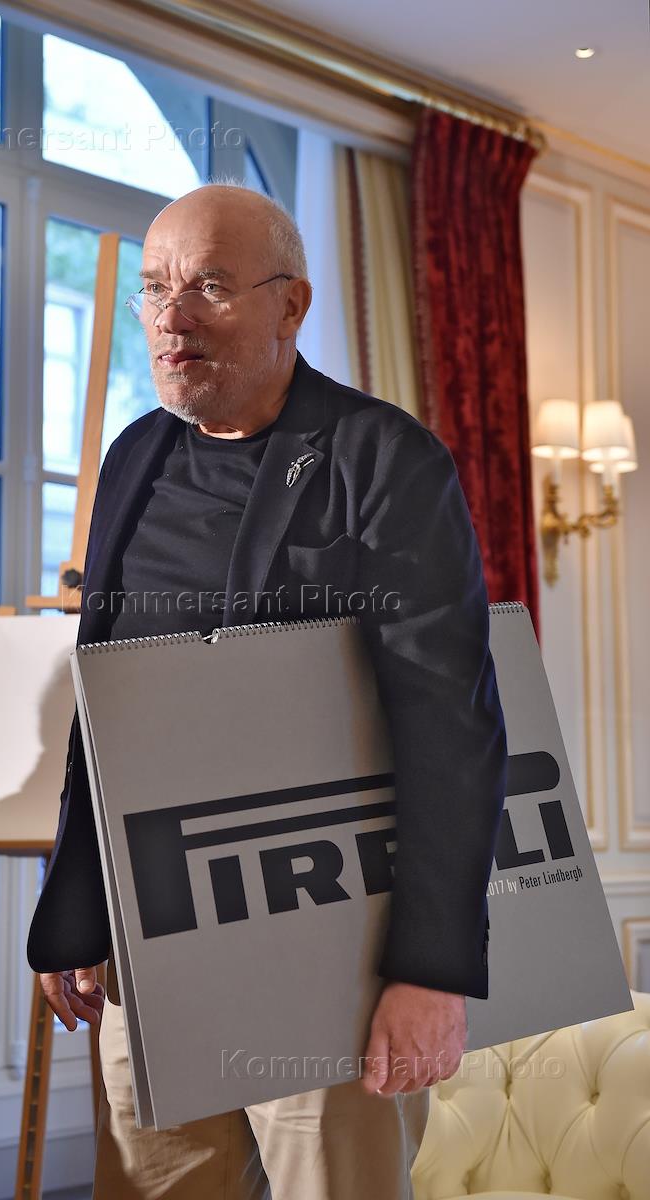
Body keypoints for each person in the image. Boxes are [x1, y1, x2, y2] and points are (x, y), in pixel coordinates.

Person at [26, 182, 508, 1200]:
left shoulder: (385, 458)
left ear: (292, 304)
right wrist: (78, 912)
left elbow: (449, 727)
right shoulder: (134, 455)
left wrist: (431, 972)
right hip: (151, 948)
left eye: (208, 286)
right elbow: (105, 704)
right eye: (154, 288)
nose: (171, 317)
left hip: (331, 951)